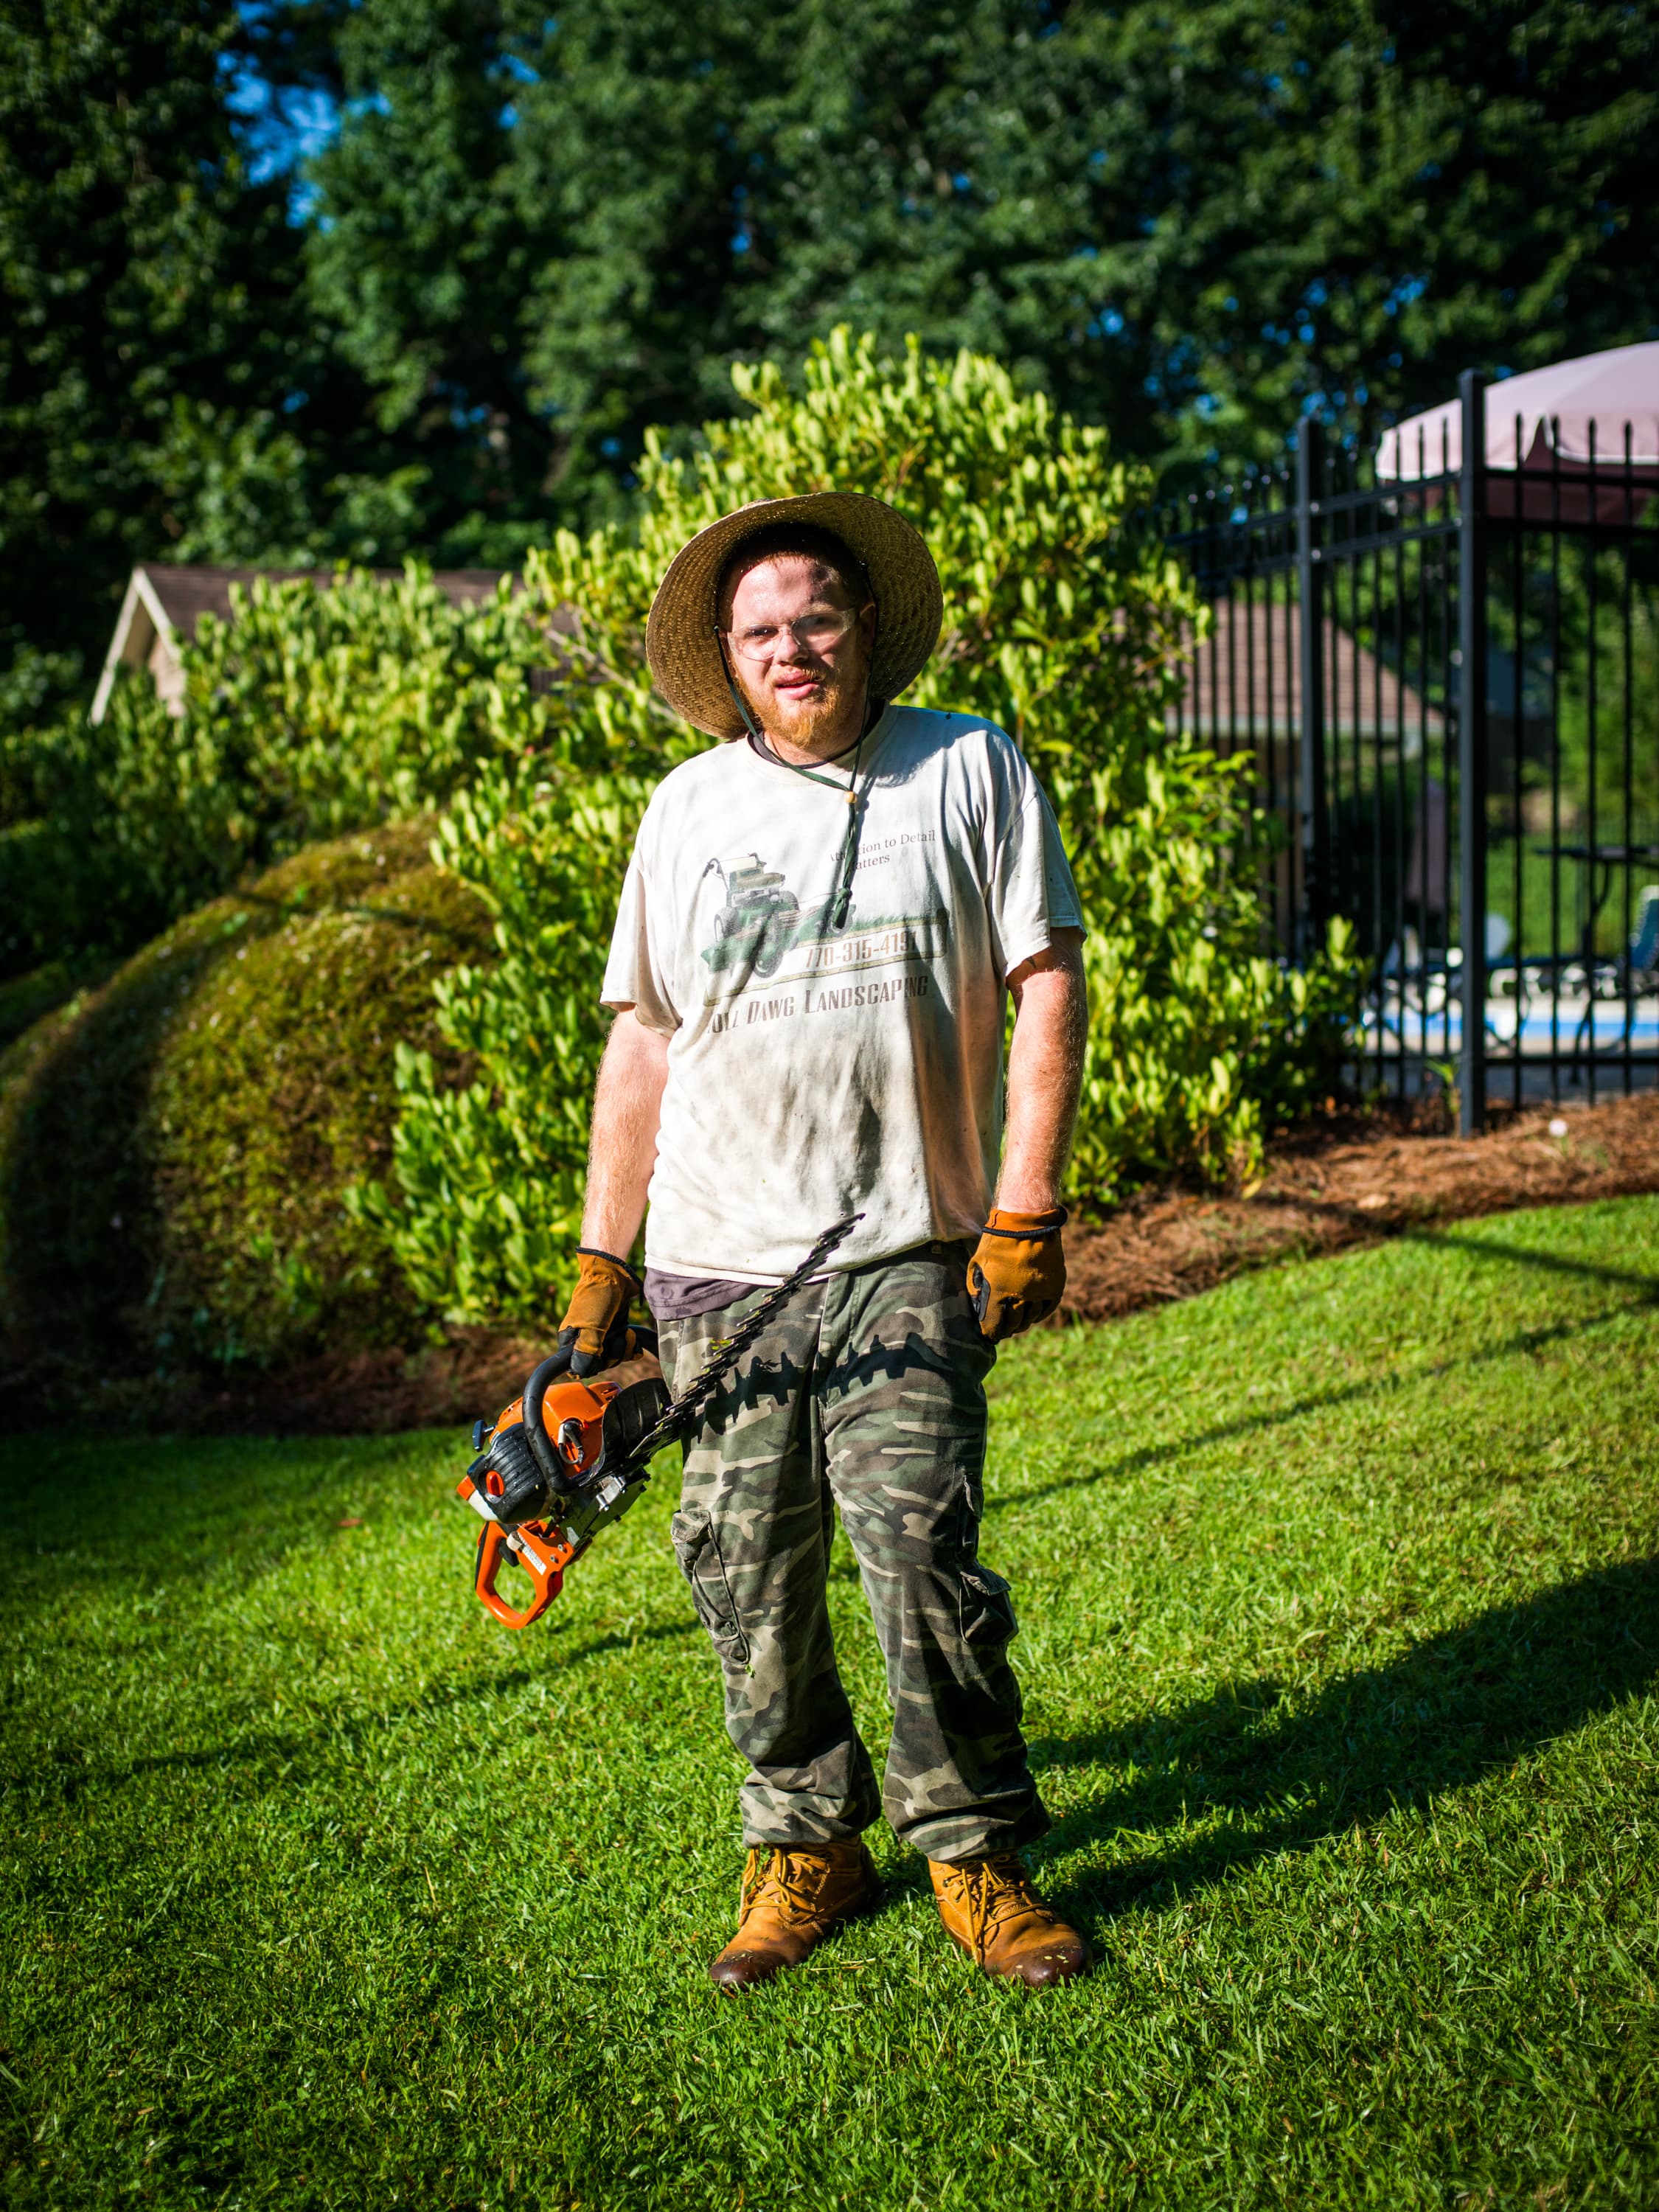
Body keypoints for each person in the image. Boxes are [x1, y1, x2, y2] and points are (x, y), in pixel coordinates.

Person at [547, 492, 1091, 1992]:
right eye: (763, 629)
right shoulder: (687, 809)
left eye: (818, 617)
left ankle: (972, 1859)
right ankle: (805, 1843)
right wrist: (603, 1273)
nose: (794, 645)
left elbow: (1048, 985)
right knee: (746, 1570)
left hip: (909, 1247)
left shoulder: (967, 765)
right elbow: (644, 1043)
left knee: (922, 1557)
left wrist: (1027, 1207)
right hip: (716, 1263)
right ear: (729, 658)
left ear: (865, 631)